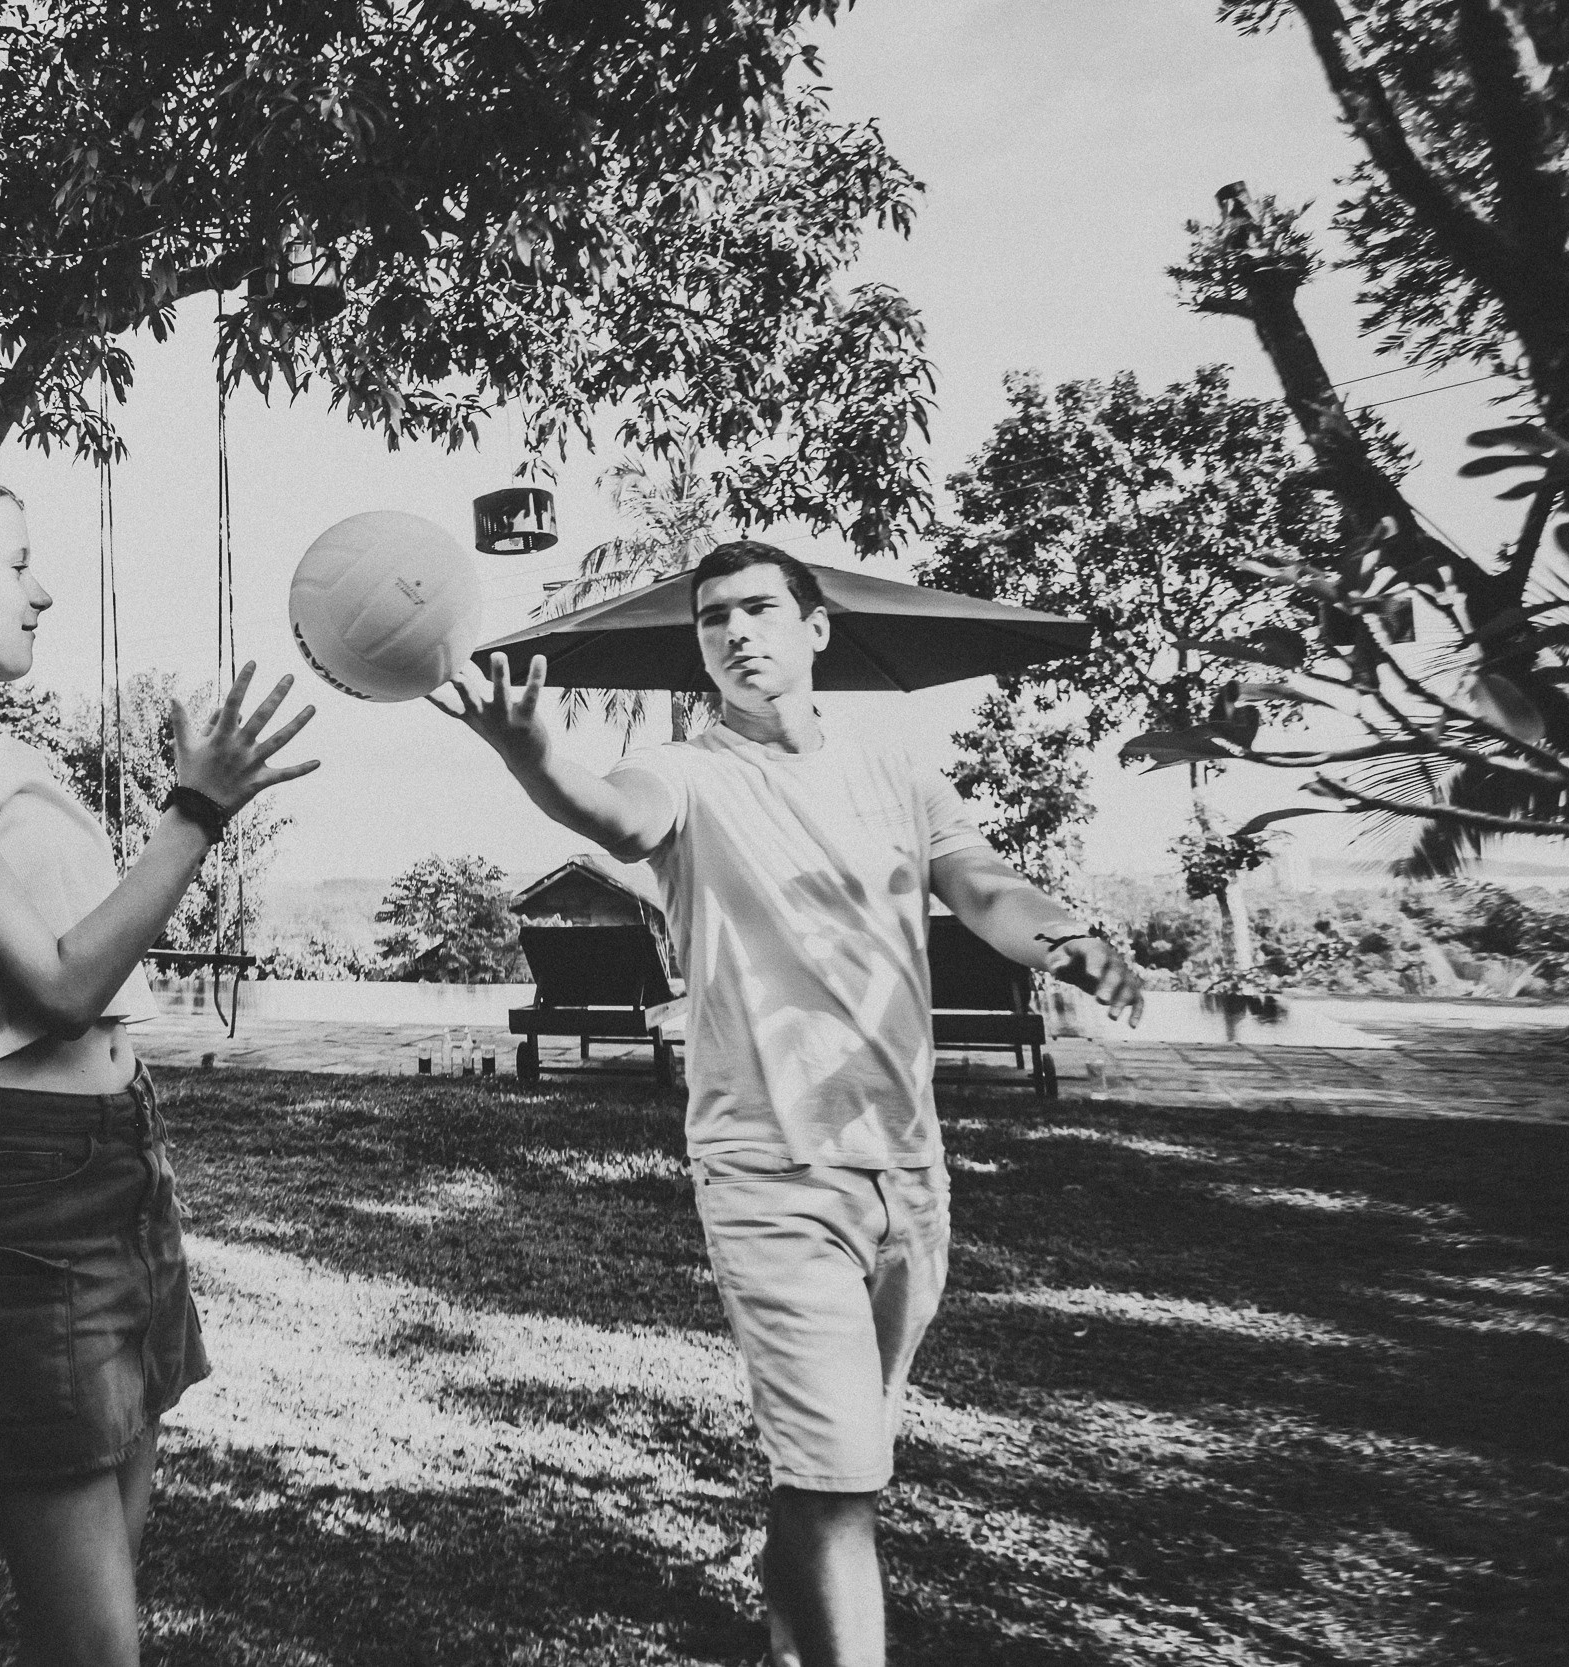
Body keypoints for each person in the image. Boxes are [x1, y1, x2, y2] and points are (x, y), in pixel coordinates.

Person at [435, 539, 1143, 1667]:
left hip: (908, 1175)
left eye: (759, 609)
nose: (733, 632)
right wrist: (533, 761)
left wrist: (1069, 942)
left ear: (816, 630)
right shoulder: (691, 774)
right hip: (769, 1172)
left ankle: (785, 1635)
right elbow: (613, 814)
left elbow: (984, 889)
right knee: (840, 1477)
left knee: (842, 1461)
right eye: (713, 619)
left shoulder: (899, 776)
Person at [0, 461, 317, 1667]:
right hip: (21, 1184)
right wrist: (193, 814)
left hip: (114, 1161)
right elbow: (55, 989)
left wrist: (192, 813)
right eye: (19, 563)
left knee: (105, 1594)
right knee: (97, 1637)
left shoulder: (6, 754)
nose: (43, 593)